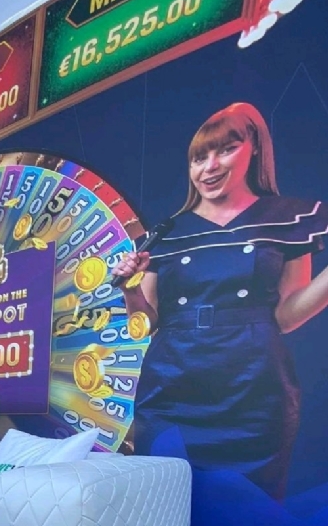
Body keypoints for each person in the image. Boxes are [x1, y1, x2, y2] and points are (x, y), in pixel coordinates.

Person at [113, 102, 328, 500]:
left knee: (249, 514)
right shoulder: (167, 233)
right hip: (171, 390)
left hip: (254, 391)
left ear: (255, 148)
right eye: (199, 158)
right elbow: (147, 323)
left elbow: (286, 316)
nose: (209, 167)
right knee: (165, 506)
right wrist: (129, 289)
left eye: (226, 150)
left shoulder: (289, 218)